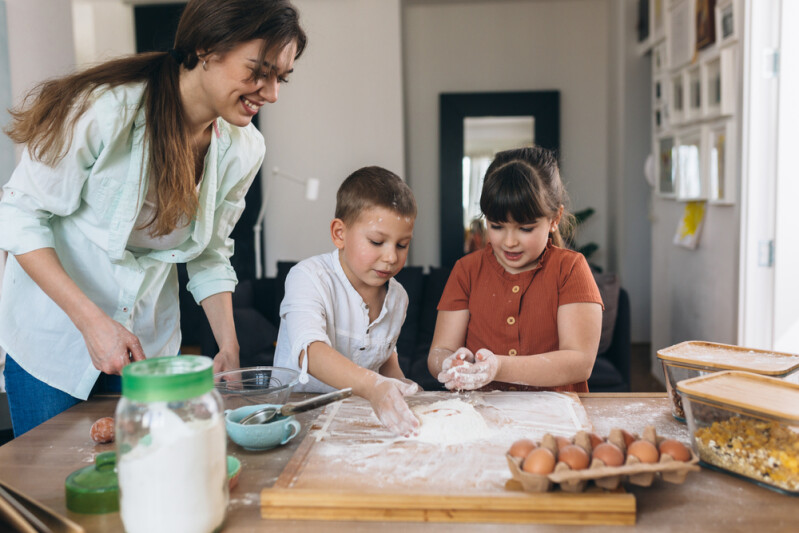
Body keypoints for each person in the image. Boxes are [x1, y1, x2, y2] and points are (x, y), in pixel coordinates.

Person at [0, 0, 307, 437]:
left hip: (149, 348)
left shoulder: (244, 148)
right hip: (52, 343)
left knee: (147, 477)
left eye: (281, 77)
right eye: (259, 71)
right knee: (58, 493)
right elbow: (19, 215)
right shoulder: (106, 110)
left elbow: (210, 252)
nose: (272, 92)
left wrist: (229, 346)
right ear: (206, 48)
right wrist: (92, 322)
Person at [427, 146, 603, 392]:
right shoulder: (466, 271)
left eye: (525, 228)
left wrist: (497, 367)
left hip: (555, 419)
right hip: (483, 417)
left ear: (554, 219)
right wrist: (449, 362)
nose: (509, 242)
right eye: (497, 226)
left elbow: (579, 363)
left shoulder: (571, 269)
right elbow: (439, 352)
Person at [273, 167, 421, 437]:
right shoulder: (308, 277)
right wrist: (374, 386)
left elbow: (385, 355)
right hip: (296, 421)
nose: (391, 257)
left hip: (357, 422)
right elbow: (311, 352)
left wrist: (402, 389)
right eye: (377, 242)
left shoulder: (398, 298)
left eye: (402, 245)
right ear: (340, 233)